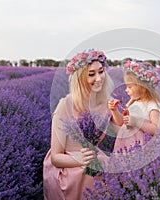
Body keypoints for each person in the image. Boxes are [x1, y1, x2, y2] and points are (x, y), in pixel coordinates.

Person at [43, 49, 113, 200]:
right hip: (67, 164)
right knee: (91, 177)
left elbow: (125, 127)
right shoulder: (65, 105)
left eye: (101, 72)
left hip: (93, 156)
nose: (99, 78)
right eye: (91, 74)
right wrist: (81, 160)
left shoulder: (105, 103)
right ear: (80, 79)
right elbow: (56, 157)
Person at [108, 60, 160, 153]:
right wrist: (114, 110)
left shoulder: (152, 106)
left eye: (130, 87)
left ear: (143, 87)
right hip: (127, 144)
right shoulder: (133, 103)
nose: (126, 90)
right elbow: (122, 123)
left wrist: (137, 122)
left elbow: (158, 130)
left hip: (144, 147)